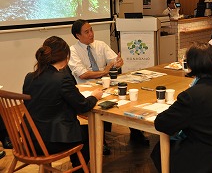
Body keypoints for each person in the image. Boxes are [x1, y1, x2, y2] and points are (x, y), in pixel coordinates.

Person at [151, 42, 212, 172]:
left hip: (205, 159)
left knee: (160, 149)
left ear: (192, 65)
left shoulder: (191, 96)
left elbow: (161, 124)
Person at [22, 36, 103, 170]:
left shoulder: (30, 77)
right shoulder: (62, 79)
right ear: (66, 57)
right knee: (90, 133)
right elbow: (83, 106)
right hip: (52, 141)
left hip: (29, 139)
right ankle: (79, 170)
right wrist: (94, 96)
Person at [68, 19, 149, 146]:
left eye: (91, 30)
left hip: (106, 85)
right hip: (87, 89)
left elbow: (114, 61)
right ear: (78, 36)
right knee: (102, 104)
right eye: (86, 32)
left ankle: (136, 132)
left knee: (129, 99)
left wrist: (118, 62)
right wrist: (105, 71)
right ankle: (101, 141)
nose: (91, 34)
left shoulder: (100, 45)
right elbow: (83, 74)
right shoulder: (73, 51)